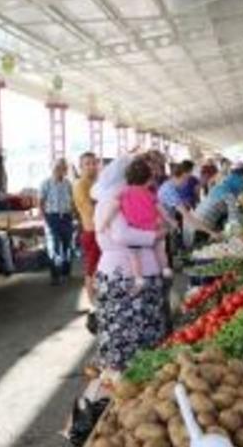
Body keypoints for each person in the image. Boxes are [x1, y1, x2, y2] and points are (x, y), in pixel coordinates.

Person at [91, 155, 167, 373]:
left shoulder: (126, 196)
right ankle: (126, 383)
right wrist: (155, 235)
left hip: (131, 271)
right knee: (128, 331)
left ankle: (141, 381)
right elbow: (122, 234)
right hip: (124, 274)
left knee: (142, 326)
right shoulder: (113, 199)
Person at [103, 158, 175, 290]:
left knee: (134, 255)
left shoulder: (123, 192)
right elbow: (161, 210)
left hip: (135, 228)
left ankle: (138, 278)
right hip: (152, 227)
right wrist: (170, 221)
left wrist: (105, 223)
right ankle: (165, 268)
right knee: (159, 248)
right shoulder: (150, 193)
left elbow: (114, 207)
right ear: (148, 178)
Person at [184, 169, 243, 241]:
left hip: (194, 222)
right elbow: (234, 219)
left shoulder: (218, 188)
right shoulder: (229, 196)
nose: (241, 189)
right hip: (202, 227)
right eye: (242, 184)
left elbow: (220, 209)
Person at [40, 158, 74, 285]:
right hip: (52, 217)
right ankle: (55, 275)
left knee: (67, 246)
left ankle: (65, 273)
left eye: (63, 168)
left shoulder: (68, 183)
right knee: (54, 246)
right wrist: (45, 218)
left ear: (65, 170)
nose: (60, 170)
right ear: (52, 168)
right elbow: (41, 202)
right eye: (57, 168)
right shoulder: (46, 183)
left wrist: (74, 215)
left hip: (66, 217)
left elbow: (72, 201)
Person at [73, 152, 100, 305]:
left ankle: (98, 300)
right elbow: (90, 210)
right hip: (91, 231)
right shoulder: (80, 185)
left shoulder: (96, 183)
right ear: (81, 167)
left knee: (99, 267)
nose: (91, 166)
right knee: (91, 269)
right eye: (87, 164)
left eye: (94, 163)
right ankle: (92, 304)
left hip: (100, 231)